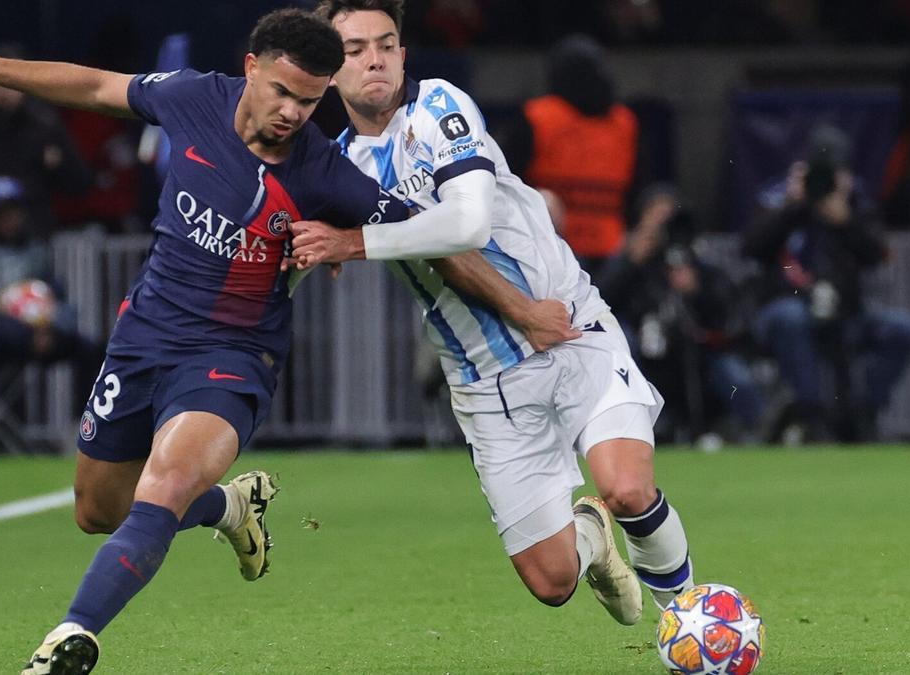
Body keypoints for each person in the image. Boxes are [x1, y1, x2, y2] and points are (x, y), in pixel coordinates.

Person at [0, 9, 412, 673]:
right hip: (143, 337)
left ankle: (69, 640)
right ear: (250, 69)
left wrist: (352, 241)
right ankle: (227, 506)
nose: (292, 113)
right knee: (98, 509)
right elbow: (91, 87)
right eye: (283, 92)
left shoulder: (324, 172)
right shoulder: (194, 97)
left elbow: (422, 231)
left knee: (163, 483)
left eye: (310, 102)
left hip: (232, 355)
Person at [296, 0, 696, 625]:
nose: (374, 58)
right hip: (484, 381)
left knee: (627, 487)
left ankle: (691, 623)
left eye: (386, 43)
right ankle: (590, 536)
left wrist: (353, 242)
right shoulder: (335, 166)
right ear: (327, 69)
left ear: (403, 53)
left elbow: (467, 222)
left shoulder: (438, 107)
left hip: (567, 325)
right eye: (352, 49)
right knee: (552, 580)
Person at [744, 125, 910, 443]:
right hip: (783, 308)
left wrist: (845, 220)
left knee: (902, 329)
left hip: (847, 311)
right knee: (791, 317)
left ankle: (865, 413)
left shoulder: (855, 201)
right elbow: (750, 248)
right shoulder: (781, 196)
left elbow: (877, 254)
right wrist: (792, 207)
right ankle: (813, 417)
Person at [0, 175, 105, 461]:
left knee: (90, 348)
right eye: (1, 212)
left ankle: (83, 424)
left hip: (37, 333)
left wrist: (49, 325)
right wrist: (13, 322)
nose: (9, 219)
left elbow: (58, 299)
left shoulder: (35, 253)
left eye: (13, 211)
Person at [598, 185, 764, 444]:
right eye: (657, 216)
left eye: (670, 216)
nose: (665, 226)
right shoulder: (632, 256)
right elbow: (602, 300)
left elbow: (724, 310)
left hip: (701, 353)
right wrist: (631, 261)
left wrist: (696, 288)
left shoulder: (697, 256)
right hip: (646, 351)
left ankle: (756, 436)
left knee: (737, 379)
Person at [504, 34, 641, 276]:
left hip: (614, 248)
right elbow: (506, 181)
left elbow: (640, 187)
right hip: (551, 244)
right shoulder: (538, 118)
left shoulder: (624, 123)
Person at [0, 43, 91, 242]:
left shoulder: (45, 125)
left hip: (32, 239)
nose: (3, 93)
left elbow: (80, 184)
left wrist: (58, 166)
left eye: (11, 85)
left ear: (25, 86)